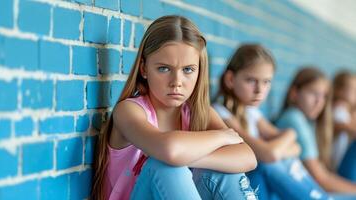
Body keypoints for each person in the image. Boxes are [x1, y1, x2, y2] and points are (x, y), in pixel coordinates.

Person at [91, 15, 257, 200]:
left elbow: (248, 158)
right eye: (164, 68)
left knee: (225, 171)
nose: (176, 82)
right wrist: (221, 136)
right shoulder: (129, 111)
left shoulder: (199, 113)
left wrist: (189, 158)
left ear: (199, 71)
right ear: (144, 69)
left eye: (188, 70)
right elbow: (169, 150)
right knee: (163, 165)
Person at [213, 44, 329, 200]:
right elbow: (268, 155)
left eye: (266, 82)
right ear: (230, 79)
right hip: (244, 190)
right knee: (265, 165)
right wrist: (286, 139)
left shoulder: (252, 113)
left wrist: (287, 138)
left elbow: (296, 148)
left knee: (279, 161)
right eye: (251, 80)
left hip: (264, 189)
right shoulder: (221, 113)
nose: (259, 90)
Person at [276, 67, 356, 197]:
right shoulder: (294, 118)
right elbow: (321, 179)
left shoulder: (306, 122)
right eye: (313, 93)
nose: (319, 102)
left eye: (324, 96)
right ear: (294, 93)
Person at [332, 71, 356, 181]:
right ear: (338, 90)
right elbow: (339, 126)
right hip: (336, 167)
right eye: (352, 89)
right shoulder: (338, 109)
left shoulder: (346, 111)